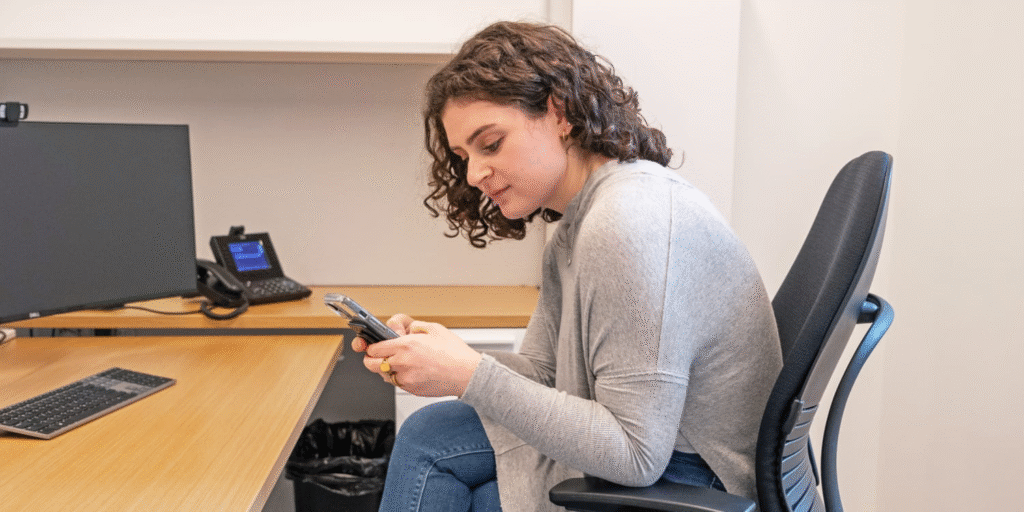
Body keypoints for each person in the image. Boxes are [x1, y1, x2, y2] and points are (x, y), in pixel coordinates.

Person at [352, 21, 783, 512]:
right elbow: (542, 373)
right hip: (669, 461)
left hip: (695, 479)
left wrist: (469, 374)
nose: (474, 174)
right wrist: (445, 359)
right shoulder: (579, 221)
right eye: (463, 155)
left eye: (490, 144)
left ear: (558, 112)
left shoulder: (627, 224)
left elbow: (636, 454)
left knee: (440, 457)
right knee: (432, 433)